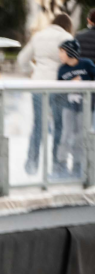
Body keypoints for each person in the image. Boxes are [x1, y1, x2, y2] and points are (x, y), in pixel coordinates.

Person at [17, 13, 73, 175]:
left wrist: (33, 71)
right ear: (67, 26)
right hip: (59, 87)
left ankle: (31, 165)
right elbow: (72, 62)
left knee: (38, 126)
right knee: (59, 127)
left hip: (39, 85)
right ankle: (57, 165)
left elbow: (22, 59)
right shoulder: (66, 37)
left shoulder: (38, 36)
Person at [55, 39, 95, 178]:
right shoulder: (62, 69)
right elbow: (58, 91)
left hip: (85, 108)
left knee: (80, 137)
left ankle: (78, 165)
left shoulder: (87, 64)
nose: (59, 55)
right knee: (66, 135)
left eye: (62, 51)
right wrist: (69, 84)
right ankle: (61, 164)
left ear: (70, 52)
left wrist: (84, 83)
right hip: (68, 108)